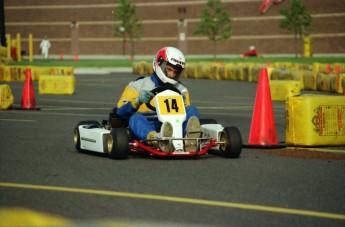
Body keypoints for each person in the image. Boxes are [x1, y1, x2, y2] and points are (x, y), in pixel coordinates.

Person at [116, 46, 201, 152]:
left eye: (175, 72)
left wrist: (182, 102)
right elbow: (120, 112)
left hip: (175, 123)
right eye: (169, 70)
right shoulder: (137, 85)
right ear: (159, 64)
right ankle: (158, 139)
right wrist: (138, 101)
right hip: (149, 122)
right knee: (135, 119)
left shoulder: (181, 89)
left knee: (192, 110)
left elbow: (185, 114)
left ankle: (190, 139)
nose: (171, 75)